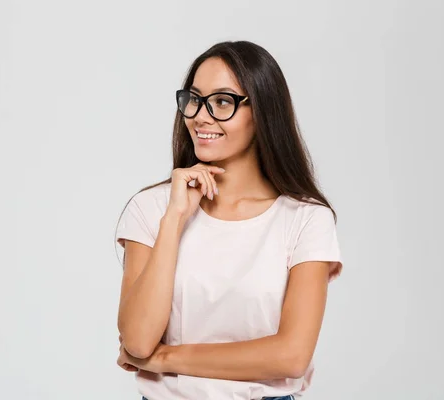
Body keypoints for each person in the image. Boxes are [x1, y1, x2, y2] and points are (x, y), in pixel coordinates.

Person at [114, 40, 343, 400]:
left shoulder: (305, 219)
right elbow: (139, 341)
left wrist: (167, 358)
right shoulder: (153, 208)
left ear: (263, 111)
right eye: (194, 99)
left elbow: (291, 356)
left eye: (222, 102)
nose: (200, 116)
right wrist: (174, 220)